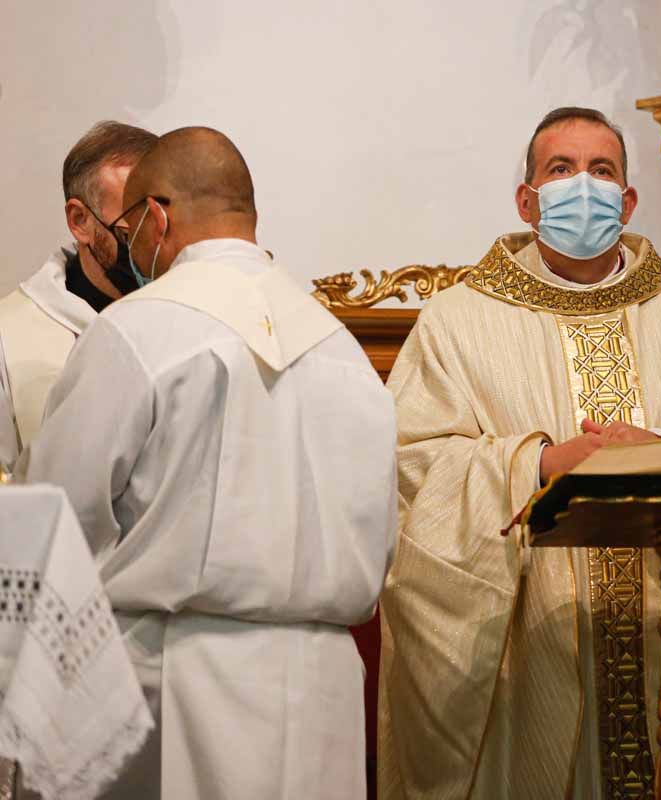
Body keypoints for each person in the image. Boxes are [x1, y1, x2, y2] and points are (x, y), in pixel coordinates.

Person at [376, 106, 661, 799]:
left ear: (629, 199)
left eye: (602, 171)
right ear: (527, 200)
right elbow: (407, 463)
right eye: (561, 169)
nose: (584, 185)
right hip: (532, 657)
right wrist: (541, 463)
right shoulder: (458, 322)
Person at [22, 127, 397, 800]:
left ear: (155, 217)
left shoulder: (138, 328)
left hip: (177, 677)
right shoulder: (340, 345)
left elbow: (60, 515)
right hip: (325, 689)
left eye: (132, 225)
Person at [0, 121, 156, 474]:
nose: (152, 250)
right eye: (131, 232)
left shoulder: (190, 315)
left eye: (160, 227)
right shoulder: (9, 336)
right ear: (80, 220)